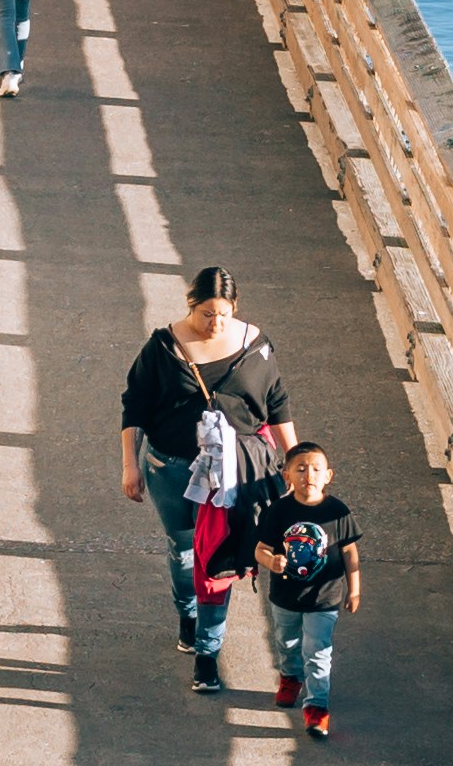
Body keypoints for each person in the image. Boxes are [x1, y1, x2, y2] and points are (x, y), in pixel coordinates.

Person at [119, 266, 296, 689]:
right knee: (183, 549)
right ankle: (188, 614)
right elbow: (135, 407)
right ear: (190, 306)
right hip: (171, 468)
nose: (215, 323)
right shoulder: (162, 347)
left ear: (235, 308)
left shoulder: (256, 346)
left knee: (217, 559)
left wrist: (295, 460)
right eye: (205, 314)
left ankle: (207, 652)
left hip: (235, 475)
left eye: (222, 314)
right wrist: (129, 463)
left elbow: (277, 404)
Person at [250, 439, 359, 740]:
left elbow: (350, 553)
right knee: (286, 642)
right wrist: (270, 561)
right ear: (286, 476)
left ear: (328, 475)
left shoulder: (338, 511)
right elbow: (260, 549)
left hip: (325, 599)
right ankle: (290, 677)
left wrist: (355, 590)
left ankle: (316, 707)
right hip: (285, 598)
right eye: (300, 469)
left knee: (317, 651)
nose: (307, 474)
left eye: (315, 468)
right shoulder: (279, 511)